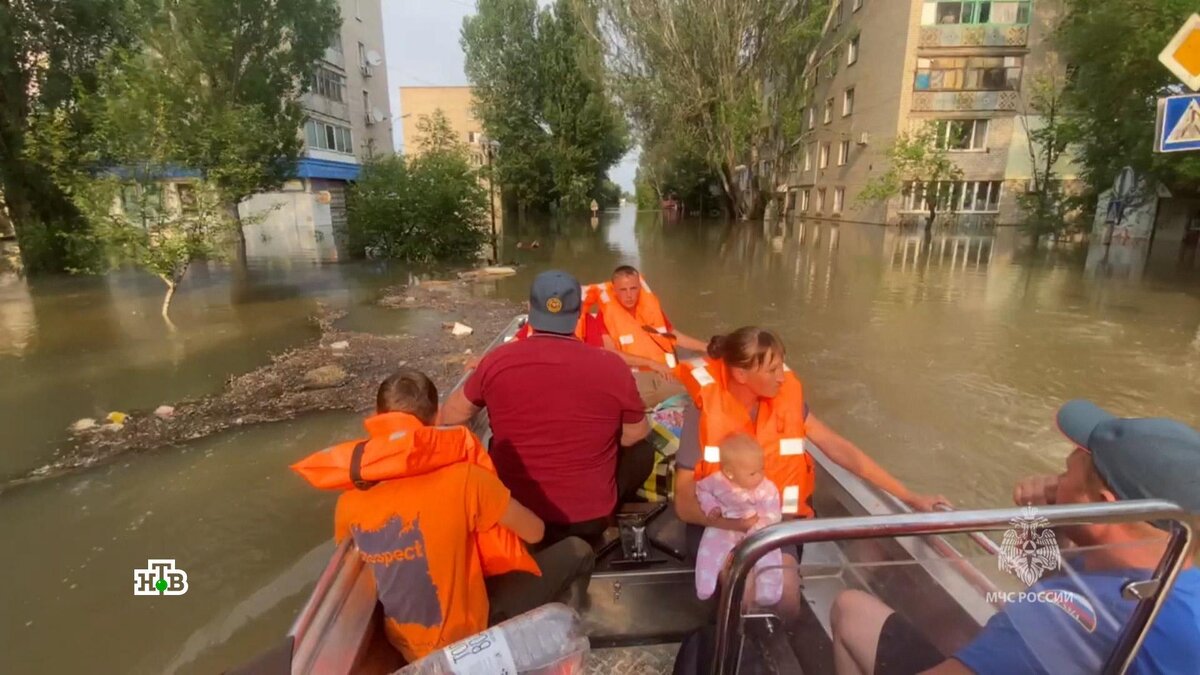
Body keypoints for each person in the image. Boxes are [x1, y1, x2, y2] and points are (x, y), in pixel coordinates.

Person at [829, 400, 1200, 675]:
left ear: (1104, 504)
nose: (1053, 482)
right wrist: (1051, 522)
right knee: (854, 610)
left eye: (1066, 472)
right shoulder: (1176, 578)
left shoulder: (1072, 616)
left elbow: (1053, 607)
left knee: (850, 609)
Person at [291, 368, 594, 662]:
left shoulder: (350, 502)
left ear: (374, 417)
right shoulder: (465, 479)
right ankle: (560, 648)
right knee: (577, 550)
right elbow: (535, 532)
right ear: (437, 418)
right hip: (471, 639)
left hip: (407, 650)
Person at [673, 327, 948, 565]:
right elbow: (685, 506)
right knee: (741, 587)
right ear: (741, 374)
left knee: (787, 596)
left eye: (782, 366)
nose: (782, 377)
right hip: (718, 525)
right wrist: (736, 525)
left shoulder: (787, 403)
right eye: (772, 370)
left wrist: (910, 497)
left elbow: (839, 448)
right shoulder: (703, 412)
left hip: (777, 526)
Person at [440, 270, 654, 546]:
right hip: (589, 518)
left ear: (529, 309)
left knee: (492, 444)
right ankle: (609, 519)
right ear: (579, 314)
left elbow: (451, 415)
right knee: (643, 450)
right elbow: (636, 434)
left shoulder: (496, 362)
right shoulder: (613, 366)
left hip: (517, 513)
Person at [590, 265, 709, 408]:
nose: (629, 295)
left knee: (702, 388)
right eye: (623, 289)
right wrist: (652, 364)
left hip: (664, 372)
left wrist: (706, 347)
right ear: (615, 290)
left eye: (633, 288)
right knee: (691, 395)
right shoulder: (605, 316)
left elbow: (672, 335)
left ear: (639, 287)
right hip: (635, 377)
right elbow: (612, 353)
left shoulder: (650, 306)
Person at [694, 433, 784, 608]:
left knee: (768, 553)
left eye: (762, 469)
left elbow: (773, 514)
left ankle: (768, 592)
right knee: (710, 550)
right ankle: (705, 585)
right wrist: (711, 506)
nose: (760, 475)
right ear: (729, 473)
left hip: (756, 527)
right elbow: (701, 490)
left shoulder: (766, 488)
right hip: (725, 524)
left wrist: (757, 525)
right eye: (752, 473)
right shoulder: (717, 481)